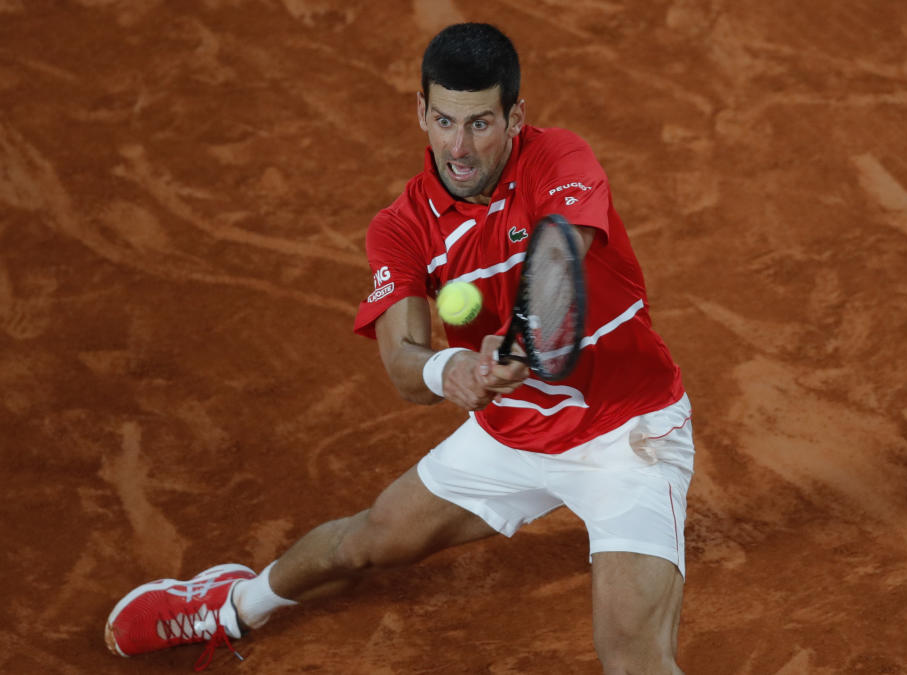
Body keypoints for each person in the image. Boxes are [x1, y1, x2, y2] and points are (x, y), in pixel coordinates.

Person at [104, 22, 695, 674]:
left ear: (514, 116)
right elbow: (402, 362)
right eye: (443, 121)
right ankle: (232, 602)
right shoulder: (401, 228)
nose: (458, 146)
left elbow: (567, 248)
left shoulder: (559, 158)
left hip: (628, 432)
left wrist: (529, 327)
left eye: (479, 124)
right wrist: (455, 369)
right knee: (370, 539)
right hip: (511, 431)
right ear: (420, 111)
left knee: (631, 657)